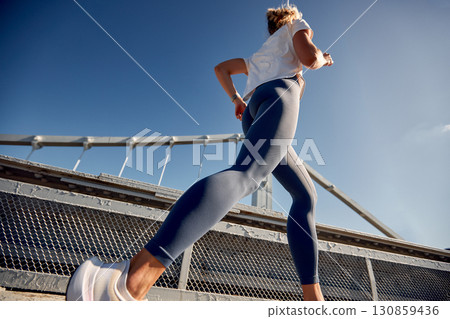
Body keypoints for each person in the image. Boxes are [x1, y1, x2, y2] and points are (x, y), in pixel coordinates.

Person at [66, 4, 333, 302]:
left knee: (306, 195)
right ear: (291, 18)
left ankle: (314, 300)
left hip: (254, 109)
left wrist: (236, 100)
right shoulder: (298, 26)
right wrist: (323, 58)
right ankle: (127, 283)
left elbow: (221, 68)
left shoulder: (259, 56)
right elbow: (309, 58)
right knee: (247, 175)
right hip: (280, 96)